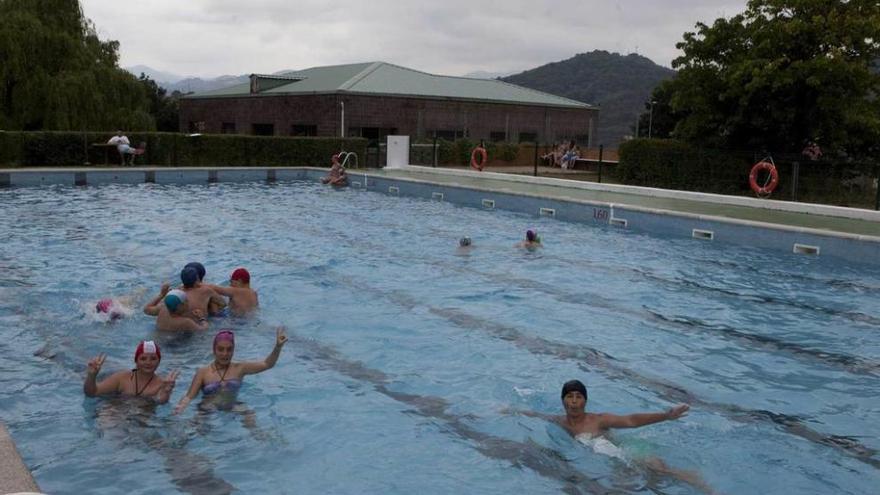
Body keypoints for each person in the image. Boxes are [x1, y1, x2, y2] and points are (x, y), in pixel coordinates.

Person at [508, 380, 714, 494]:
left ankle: (706, 488)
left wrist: (666, 416)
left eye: (578, 397)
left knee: (661, 471)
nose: (574, 401)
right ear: (563, 401)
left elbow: (631, 420)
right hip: (614, 461)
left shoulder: (599, 419)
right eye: (569, 396)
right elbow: (535, 415)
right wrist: (509, 410)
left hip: (632, 451)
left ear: (585, 401)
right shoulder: (559, 422)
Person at [173, 327, 288, 414]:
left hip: (232, 406)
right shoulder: (203, 372)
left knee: (249, 414)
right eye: (221, 349)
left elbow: (267, 364)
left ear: (233, 350)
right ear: (214, 350)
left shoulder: (240, 368)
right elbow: (189, 396)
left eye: (229, 349)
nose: (225, 354)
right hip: (207, 408)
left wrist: (278, 347)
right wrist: (181, 407)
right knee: (195, 428)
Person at [83, 340, 179, 403]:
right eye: (143, 358)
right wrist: (92, 376)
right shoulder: (121, 378)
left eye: (153, 358)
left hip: (142, 415)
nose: (148, 362)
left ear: (159, 361)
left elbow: (160, 402)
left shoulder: (162, 384)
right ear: (136, 361)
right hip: (116, 408)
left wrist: (166, 392)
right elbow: (92, 393)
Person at [143, 284, 209, 331]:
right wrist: (202, 318)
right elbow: (203, 330)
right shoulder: (186, 322)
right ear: (181, 306)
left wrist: (161, 295)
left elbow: (146, 309)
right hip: (174, 346)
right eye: (186, 301)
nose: (188, 302)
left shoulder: (163, 309)